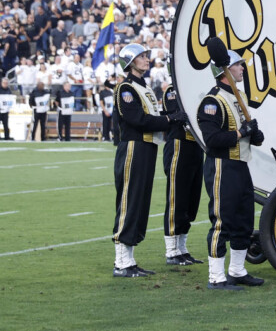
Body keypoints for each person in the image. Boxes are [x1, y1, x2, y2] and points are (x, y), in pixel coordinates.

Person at [112, 43, 187, 278]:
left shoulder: (143, 87)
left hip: (147, 147)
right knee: (130, 201)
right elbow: (138, 120)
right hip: (134, 147)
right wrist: (171, 119)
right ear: (130, 62)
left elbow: (152, 118)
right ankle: (121, 261)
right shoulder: (126, 88)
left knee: (140, 202)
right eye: (141, 57)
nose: (146, 59)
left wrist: (172, 118)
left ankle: (129, 259)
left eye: (145, 56)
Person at [197, 49, 265, 290]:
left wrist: (255, 135)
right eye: (238, 65)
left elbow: (246, 133)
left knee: (244, 221)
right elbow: (212, 139)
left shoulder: (240, 96)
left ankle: (237, 270)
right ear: (225, 71)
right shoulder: (212, 101)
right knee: (221, 221)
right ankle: (216, 276)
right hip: (221, 166)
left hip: (241, 165)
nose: (243, 68)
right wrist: (241, 133)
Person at [161, 82, 205, 266]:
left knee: (191, 200)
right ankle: (171, 250)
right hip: (179, 144)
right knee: (176, 198)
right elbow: (177, 115)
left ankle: (182, 248)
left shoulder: (198, 89)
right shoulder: (173, 90)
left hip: (196, 146)